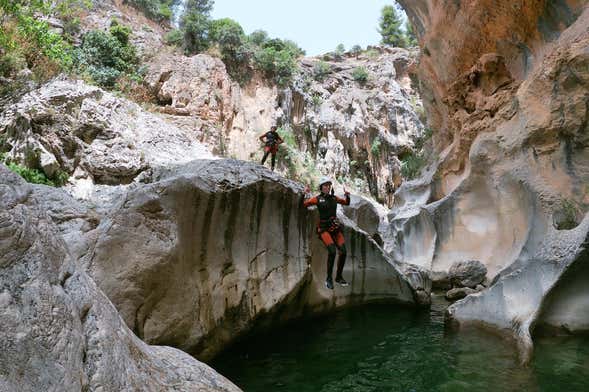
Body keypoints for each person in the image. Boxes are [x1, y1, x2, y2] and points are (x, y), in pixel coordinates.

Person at [303, 177, 351, 290]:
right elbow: (305, 204)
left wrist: (347, 195)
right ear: (321, 187)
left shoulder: (334, 198)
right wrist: (305, 194)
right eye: (325, 185)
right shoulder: (317, 199)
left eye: (329, 185)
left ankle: (338, 277)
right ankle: (329, 279)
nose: (327, 187)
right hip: (324, 229)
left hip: (334, 228)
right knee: (332, 251)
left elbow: (346, 203)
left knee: (343, 251)